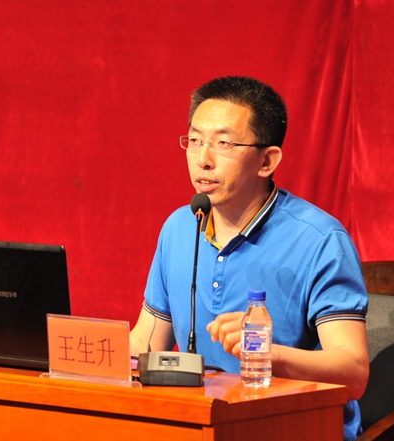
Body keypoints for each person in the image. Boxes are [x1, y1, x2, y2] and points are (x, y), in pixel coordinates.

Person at [130, 76, 369, 440]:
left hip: (295, 429)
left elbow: (354, 373)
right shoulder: (180, 227)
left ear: (267, 160)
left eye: (223, 144)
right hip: (204, 425)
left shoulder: (320, 240)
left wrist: (269, 354)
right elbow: (146, 344)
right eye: (195, 141)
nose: (203, 160)